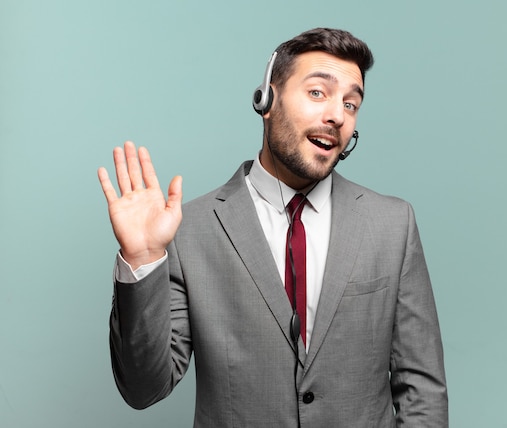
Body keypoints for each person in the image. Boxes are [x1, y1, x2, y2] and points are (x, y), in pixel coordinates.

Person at [98, 28, 448, 427]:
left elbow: (421, 388)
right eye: (318, 92)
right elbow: (143, 388)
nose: (337, 114)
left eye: (351, 103)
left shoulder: (392, 224)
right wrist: (142, 260)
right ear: (266, 100)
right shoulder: (190, 230)